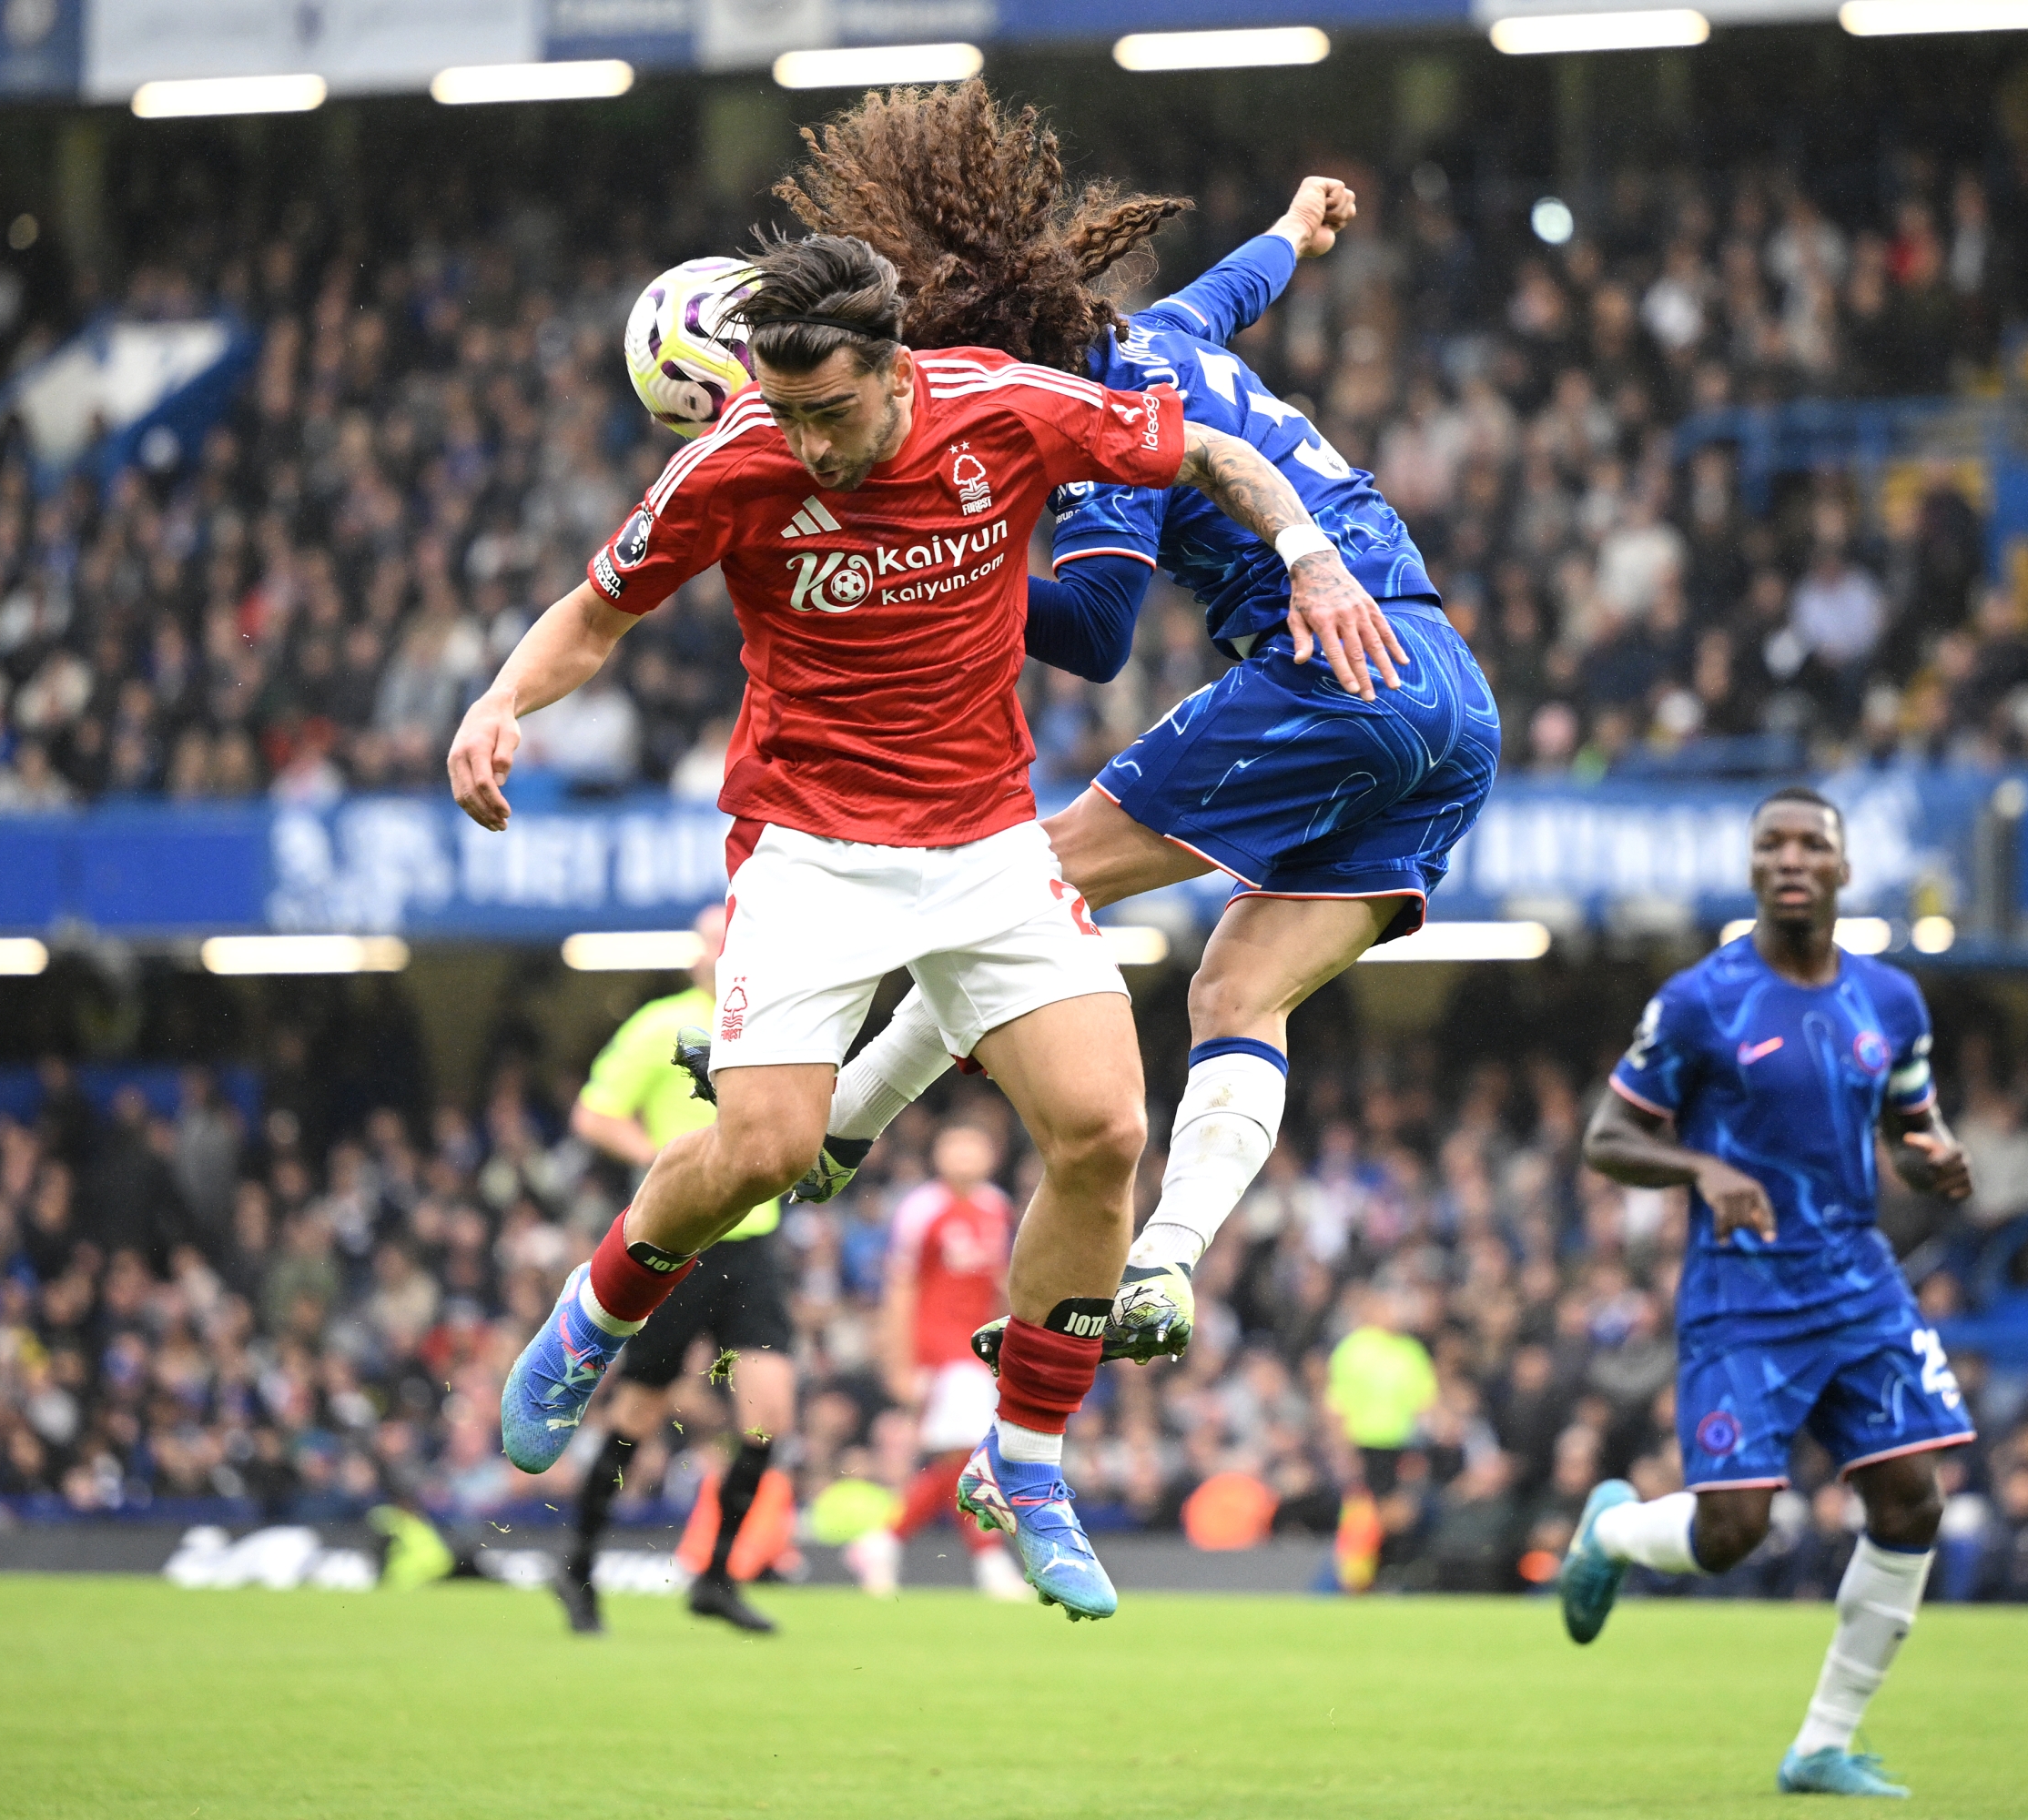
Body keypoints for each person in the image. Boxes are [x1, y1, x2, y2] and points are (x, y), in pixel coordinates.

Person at [451, 229, 1385, 1622]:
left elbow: (1205, 453)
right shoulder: (734, 461)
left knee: (1105, 1133)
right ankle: (595, 1311)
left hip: (988, 848)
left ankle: (1029, 1462)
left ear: (895, 371)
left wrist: (1308, 554)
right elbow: (598, 615)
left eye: (831, 410)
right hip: (811, 853)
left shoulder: (1003, 407)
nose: (809, 444)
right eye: (785, 409)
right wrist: (500, 703)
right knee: (763, 1150)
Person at [768, 86, 1503, 1372]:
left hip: (1331, 668)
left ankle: (847, 1119)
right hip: (1450, 693)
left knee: (1020, 881)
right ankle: (1164, 1264)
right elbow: (1231, 292)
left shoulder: (1100, 420)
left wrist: (948, 568)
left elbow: (1101, 629)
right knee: (1234, 988)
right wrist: (1293, 229)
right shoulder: (1159, 332)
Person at [1566, 787, 1977, 1799]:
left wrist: (1936, 1162)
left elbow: (1911, 1127)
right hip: (1743, 1296)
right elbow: (1606, 1136)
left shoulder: (1892, 1002)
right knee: (1734, 1531)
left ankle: (1822, 1742)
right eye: (1772, 844)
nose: (1791, 858)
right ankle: (1613, 1528)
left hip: (1858, 1280)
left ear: (1842, 868)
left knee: (1911, 1496)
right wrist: (1701, 1170)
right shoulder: (1701, 1000)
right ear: (1753, 868)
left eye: (1812, 844)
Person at [552, 902, 795, 1636]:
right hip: (680, 1242)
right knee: (639, 1415)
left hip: (753, 1242)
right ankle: (579, 1568)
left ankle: (715, 1577)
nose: (718, 955)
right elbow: (595, 1113)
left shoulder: (775, 1024)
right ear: (696, 956)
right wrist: (665, 1165)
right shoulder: (664, 1025)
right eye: (710, 944)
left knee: (770, 1413)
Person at [844, 1120, 1032, 1602]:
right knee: (969, 1453)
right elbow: (901, 1286)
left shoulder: (997, 1207)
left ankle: (883, 1541)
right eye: (957, 1143)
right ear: (938, 1155)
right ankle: (986, 1561)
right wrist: (898, 1360)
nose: (966, 1153)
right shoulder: (921, 1208)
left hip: (975, 1348)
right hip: (937, 1347)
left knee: (960, 1458)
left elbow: (998, 1285)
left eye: (975, 1142)